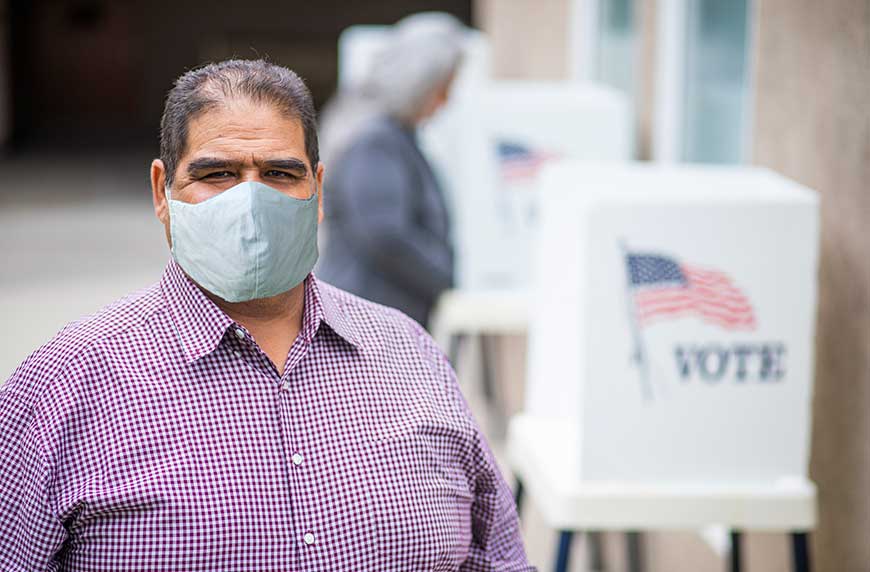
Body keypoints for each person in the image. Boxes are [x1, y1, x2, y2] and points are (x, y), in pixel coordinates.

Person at [0, 59, 532, 571]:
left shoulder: (409, 354)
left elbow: (497, 557)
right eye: (217, 174)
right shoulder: (63, 386)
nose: (250, 204)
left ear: (317, 190)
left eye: (279, 173)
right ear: (163, 193)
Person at [317, 13, 461, 328]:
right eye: (443, 88)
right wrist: (444, 275)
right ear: (418, 83)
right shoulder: (374, 140)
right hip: (368, 318)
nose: (446, 101)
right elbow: (384, 233)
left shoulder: (386, 134)